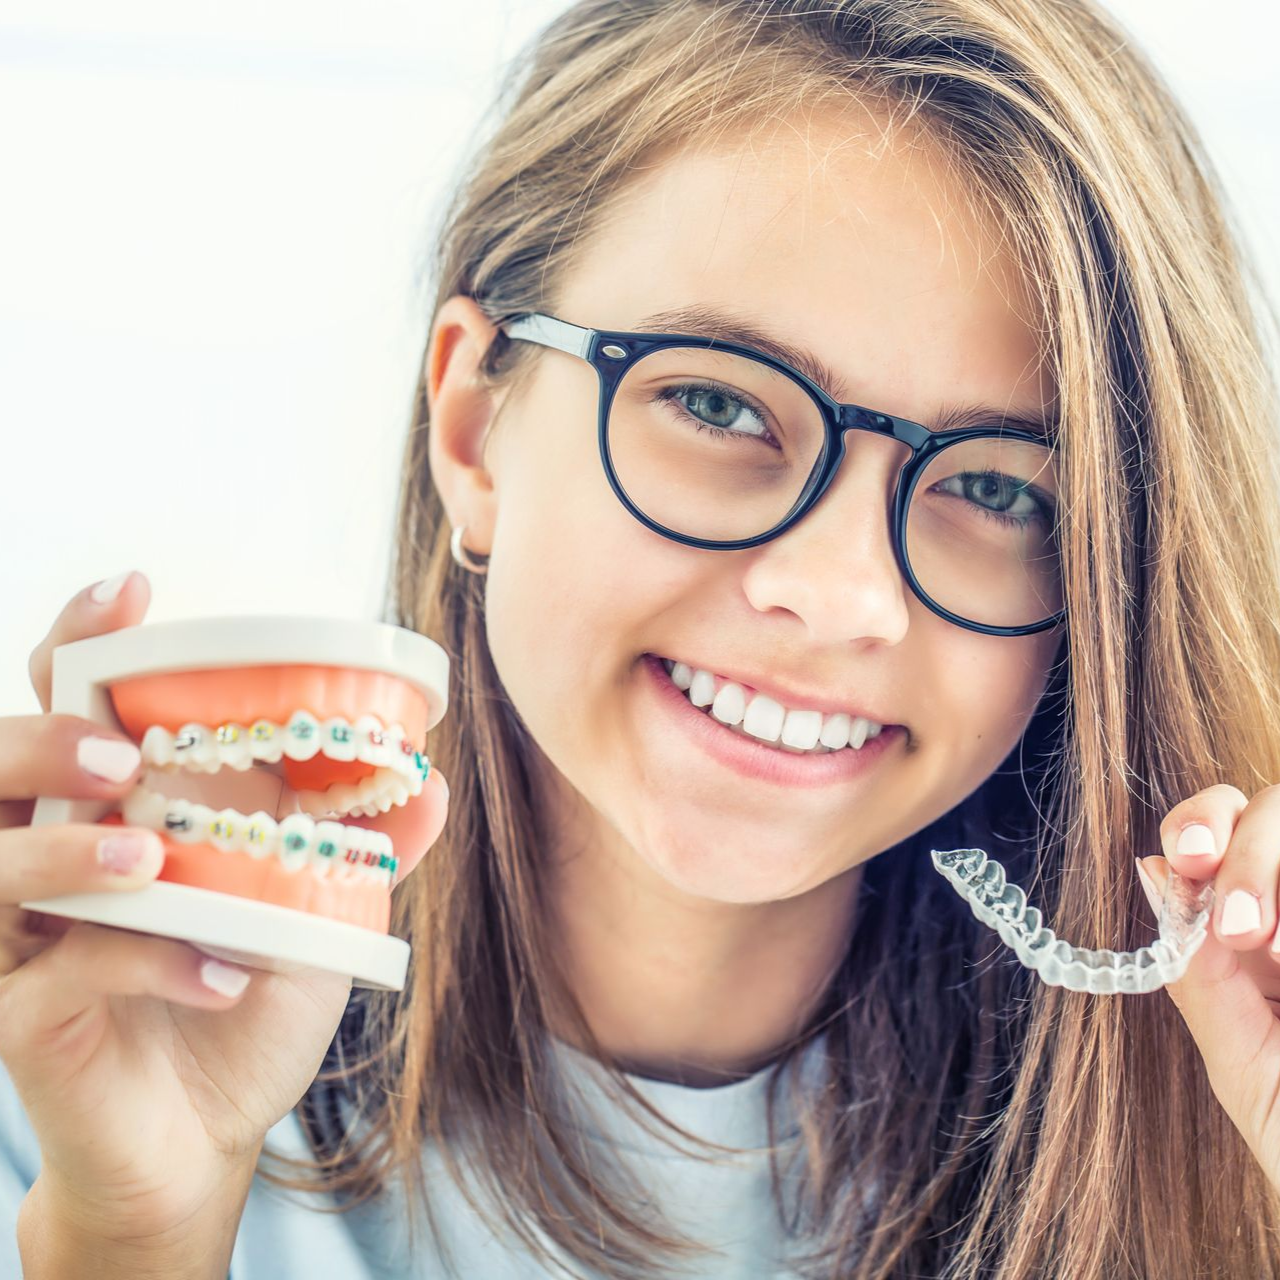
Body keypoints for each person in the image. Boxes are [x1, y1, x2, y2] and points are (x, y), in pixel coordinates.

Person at [5, 0, 1280, 1275]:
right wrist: (134, 1229)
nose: (836, 592)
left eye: (999, 488)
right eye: (719, 402)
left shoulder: (1218, 1114)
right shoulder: (71, 1044)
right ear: (472, 429)